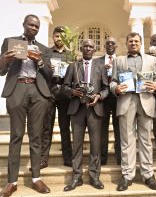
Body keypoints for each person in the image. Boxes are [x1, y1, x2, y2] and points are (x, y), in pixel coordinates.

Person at [0, 14, 52, 197]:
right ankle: (11, 182)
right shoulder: (10, 42)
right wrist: (4, 60)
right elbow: (0, 71)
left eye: (36, 26)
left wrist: (40, 60)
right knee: (16, 136)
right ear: (24, 25)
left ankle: (36, 178)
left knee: (36, 136)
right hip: (17, 88)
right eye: (31, 25)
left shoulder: (43, 48)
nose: (34, 28)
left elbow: (51, 75)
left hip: (37, 92)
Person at [110, 32, 156, 191]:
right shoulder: (119, 61)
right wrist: (115, 88)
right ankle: (127, 175)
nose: (133, 43)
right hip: (127, 101)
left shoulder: (151, 60)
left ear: (140, 43)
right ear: (126, 43)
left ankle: (148, 174)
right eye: (130, 41)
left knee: (146, 140)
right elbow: (112, 81)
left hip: (145, 101)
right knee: (127, 140)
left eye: (136, 41)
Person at [62, 39, 109, 191]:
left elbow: (106, 88)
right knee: (77, 145)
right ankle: (76, 177)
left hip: (94, 109)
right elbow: (64, 87)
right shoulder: (73, 66)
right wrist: (72, 92)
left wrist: (99, 96)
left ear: (94, 50)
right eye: (85, 46)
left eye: (91, 46)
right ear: (81, 48)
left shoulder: (100, 67)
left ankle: (94, 176)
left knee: (96, 145)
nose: (88, 48)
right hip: (77, 109)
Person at [40, 26, 72, 169]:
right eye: (57, 36)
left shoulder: (71, 55)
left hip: (65, 94)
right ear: (53, 37)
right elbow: (40, 72)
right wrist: (48, 69)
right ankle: (43, 159)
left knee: (65, 127)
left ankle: (68, 158)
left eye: (62, 36)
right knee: (46, 127)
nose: (59, 39)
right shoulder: (46, 53)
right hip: (49, 92)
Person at [97, 37, 121, 165]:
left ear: (116, 46)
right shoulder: (98, 62)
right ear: (104, 46)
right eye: (108, 43)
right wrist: (103, 69)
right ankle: (103, 158)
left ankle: (120, 158)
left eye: (113, 43)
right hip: (103, 98)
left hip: (118, 98)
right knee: (102, 128)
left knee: (119, 128)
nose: (110, 45)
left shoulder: (122, 61)